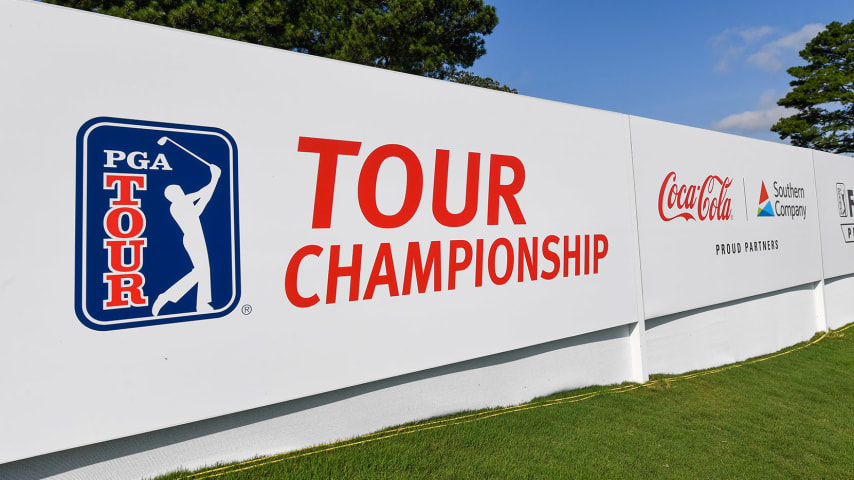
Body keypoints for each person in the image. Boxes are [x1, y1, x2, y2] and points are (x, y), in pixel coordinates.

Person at [152, 163, 221, 316]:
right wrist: (215, 177)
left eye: (180, 189)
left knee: (203, 271)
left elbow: (203, 194)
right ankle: (167, 296)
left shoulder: (185, 200)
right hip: (193, 239)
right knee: (200, 272)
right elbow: (201, 204)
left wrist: (214, 178)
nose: (181, 190)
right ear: (173, 195)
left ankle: (201, 304)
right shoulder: (177, 206)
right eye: (177, 190)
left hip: (196, 238)